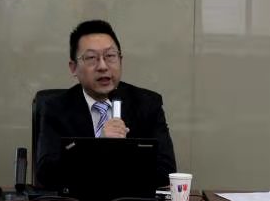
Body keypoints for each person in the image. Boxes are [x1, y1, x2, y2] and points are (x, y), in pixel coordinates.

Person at [35, 19, 177, 190]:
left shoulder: (147, 104)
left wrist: (121, 152)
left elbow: (166, 172)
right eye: (91, 58)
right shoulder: (56, 108)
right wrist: (98, 148)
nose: (103, 66)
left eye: (110, 56)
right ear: (73, 68)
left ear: (120, 60)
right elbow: (46, 174)